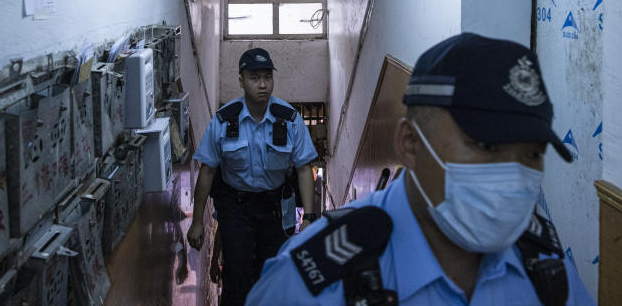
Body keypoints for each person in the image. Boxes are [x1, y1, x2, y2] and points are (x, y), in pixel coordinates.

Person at [245, 33, 596, 305]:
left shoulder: (545, 266)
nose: (513, 175)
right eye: (486, 146)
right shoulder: (313, 282)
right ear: (410, 144)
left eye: (532, 154)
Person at [186, 47, 319, 306]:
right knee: (237, 272)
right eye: (254, 78)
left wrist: (310, 219)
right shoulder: (224, 121)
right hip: (236, 207)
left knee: (274, 270)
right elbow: (207, 171)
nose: (262, 85)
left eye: (267, 78)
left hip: (277, 208)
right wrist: (198, 221)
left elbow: (304, 168)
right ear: (241, 80)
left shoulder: (290, 120)